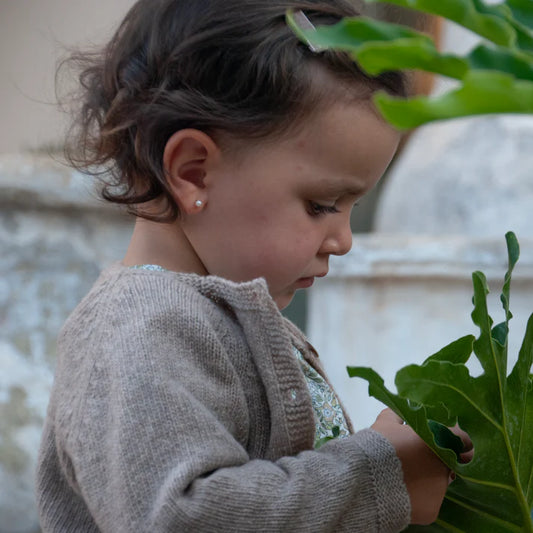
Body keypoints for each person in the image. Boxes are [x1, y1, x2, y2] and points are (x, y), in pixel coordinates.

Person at [36, 1, 468, 531]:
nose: (344, 240)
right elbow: (182, 517)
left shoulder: (225, 316)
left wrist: (397, 465)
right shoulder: (135, 330)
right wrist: (379, 474)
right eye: (321, 204)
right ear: (193, 172)